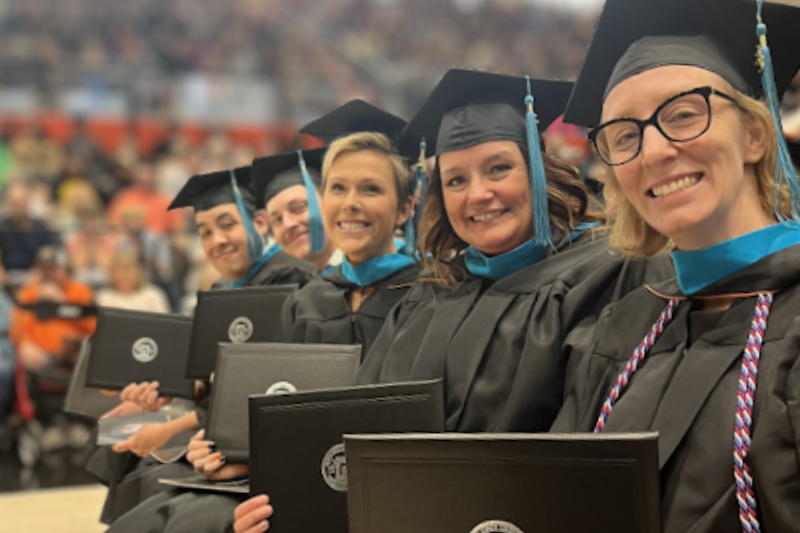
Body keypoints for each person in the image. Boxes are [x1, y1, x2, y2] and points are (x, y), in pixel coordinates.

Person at [232, 69, 672, 533]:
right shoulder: (431, 292)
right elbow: (359, 431)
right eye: (456, 180)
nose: (478, 194)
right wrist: (285, 499)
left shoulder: (609, 275)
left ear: (539, 169)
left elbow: (593, 462)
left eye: (499, 168)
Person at [108, 104, 420, 533]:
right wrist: (230, 453)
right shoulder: (309, 299)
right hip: (296, 476)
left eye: (370, 189)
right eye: (337, 188)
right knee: (156, 517)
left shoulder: (427, 295)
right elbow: (278, 406)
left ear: (405, 208)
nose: (350, 203)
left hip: (382, 492)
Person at [550, 1, 800, 532]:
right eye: (624, 135)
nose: (654, 151)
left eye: (684, 113)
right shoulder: (618, 330)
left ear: (756, 136)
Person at [85, 163, 318, 524]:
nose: (216, 241)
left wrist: (167, 428)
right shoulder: (222, 289)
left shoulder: (290, 281)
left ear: (259, 224)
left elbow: (256, 390)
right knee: (118, 445)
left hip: (250, 438)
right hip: (212, 426)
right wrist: (160, 398)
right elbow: (206, 376)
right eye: (204, 232)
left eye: (227, 224)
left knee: (150, 473)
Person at [253, 147, 340, 272]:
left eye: (299, 208)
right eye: (277, 220)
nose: (288, 224)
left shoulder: (366, 277)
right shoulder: (309, 286)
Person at [96, 253, 171, 313]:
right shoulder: (104, 296)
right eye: (118, 269)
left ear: (138, 272)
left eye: (127, 269)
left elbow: (163, 325)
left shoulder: (153, 295)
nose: (123, 274)